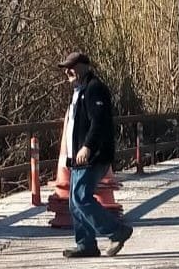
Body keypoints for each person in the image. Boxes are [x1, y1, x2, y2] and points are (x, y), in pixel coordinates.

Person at [57, 51, 134, 258]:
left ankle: (117, 231)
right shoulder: (79, 91)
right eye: (66, 68)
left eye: (72, 67)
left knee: (81, 198)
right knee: (75, 202)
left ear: (84, 67)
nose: (67, 71)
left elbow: (99, 121)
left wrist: (87, 147)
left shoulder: (94, 89)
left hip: (93, 156)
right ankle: (86, 244)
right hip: (78, 157)